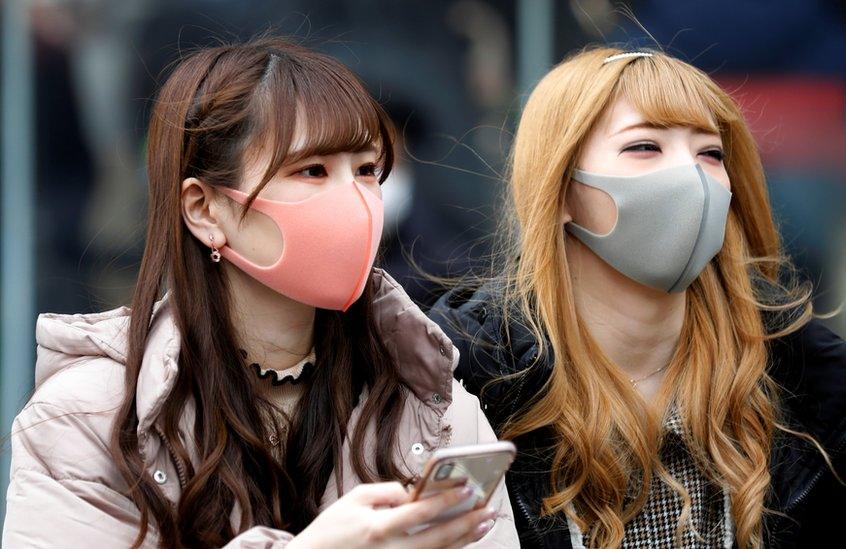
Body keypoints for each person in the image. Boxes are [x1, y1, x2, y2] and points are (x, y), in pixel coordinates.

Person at [3, 38, 517, 548]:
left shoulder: (431, 404)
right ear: (204, 209)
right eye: (311, 170)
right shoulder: (89, 419)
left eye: (366, 171)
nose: (355, 201)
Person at [430, 47, 846, 547]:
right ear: (562, 190)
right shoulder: (463, 390)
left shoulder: (815, 392)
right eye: (644, 147)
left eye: (711, 153)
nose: (693, 177)